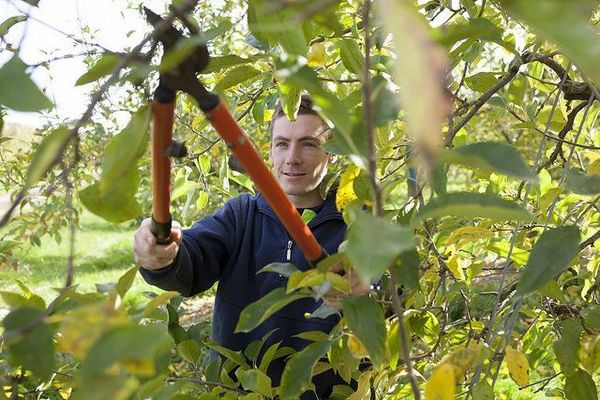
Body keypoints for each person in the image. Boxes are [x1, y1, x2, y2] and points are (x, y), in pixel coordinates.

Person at [133, 95, 369, 399]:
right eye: (282, 143)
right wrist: (160, 257)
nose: (292, 157)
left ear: (332, 151)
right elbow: (190, 262)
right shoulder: (241, 216)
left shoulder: (360, 226)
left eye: (309, 143)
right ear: (270, 150)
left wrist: (369, 290)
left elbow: (393, 301)